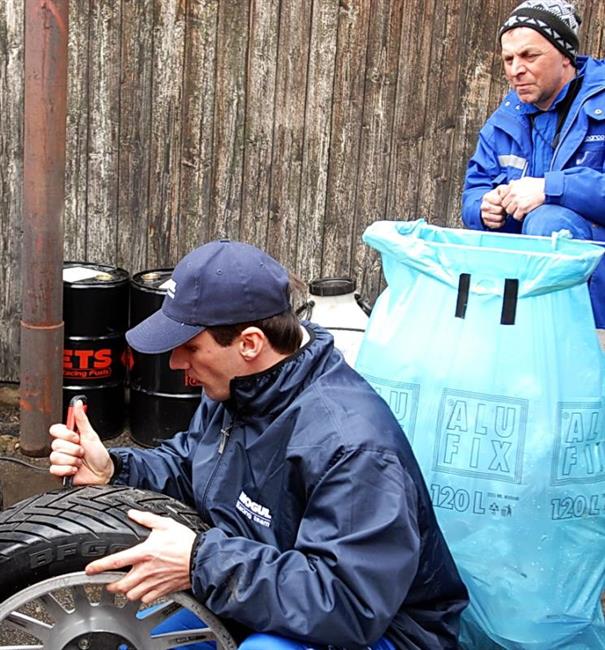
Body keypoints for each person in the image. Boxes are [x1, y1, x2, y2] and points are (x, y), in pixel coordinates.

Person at [49, 239, 468, 649]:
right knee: (143, 644)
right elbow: (191, 464)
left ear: (249, 343)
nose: (176, 363)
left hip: (378, 629)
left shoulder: (352, 446)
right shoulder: (239, 390)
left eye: (191, 347)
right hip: (265, 586)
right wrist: (115, 470)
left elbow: (347, 603)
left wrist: (200, 562)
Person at [462, 0, 605, 327]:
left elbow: (549, 209)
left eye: (530, 56)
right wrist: (483, 209)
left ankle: (589, 344)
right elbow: (474, 190)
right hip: (525, 282)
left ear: (565, 55)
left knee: (548, 221)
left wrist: (551, 189)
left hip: (595, 274)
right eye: (509, 59)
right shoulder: (505, 120)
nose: (516, 69)